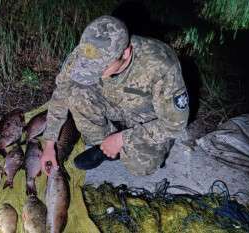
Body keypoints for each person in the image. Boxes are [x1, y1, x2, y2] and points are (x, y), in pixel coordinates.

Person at [40, 15, 189, 176]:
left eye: (100, 69)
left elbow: (175, 125)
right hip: (113, 102)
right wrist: (49, 144)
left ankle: (118, 145)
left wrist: (122, 139)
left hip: (146, 118)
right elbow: (62, 93)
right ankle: (105, 148)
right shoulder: (87, 53)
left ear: (125, 53)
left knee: (141, 167)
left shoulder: (160, 65)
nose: (92, 73)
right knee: (76, 95)